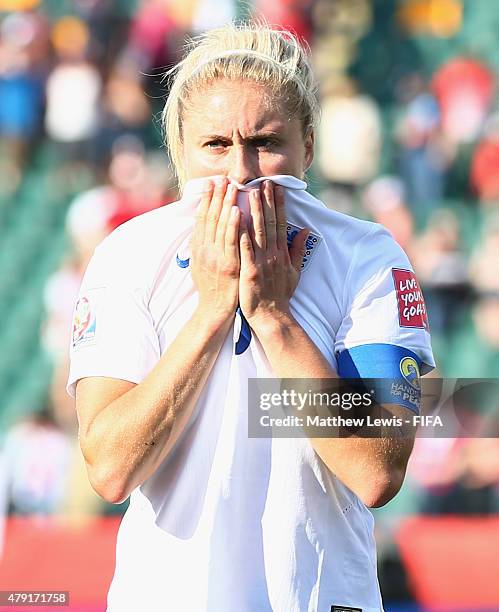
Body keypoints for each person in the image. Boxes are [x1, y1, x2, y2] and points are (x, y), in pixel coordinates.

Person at [67, 22, 434, 612]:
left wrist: (272, 318)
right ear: (180, 154)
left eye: (265, 143)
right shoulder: (128, 255)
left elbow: (376, 469)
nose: (242, 172)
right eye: (215, 145)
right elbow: (109, 469)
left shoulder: (369, 257)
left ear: (308, 147)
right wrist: (211, 314)